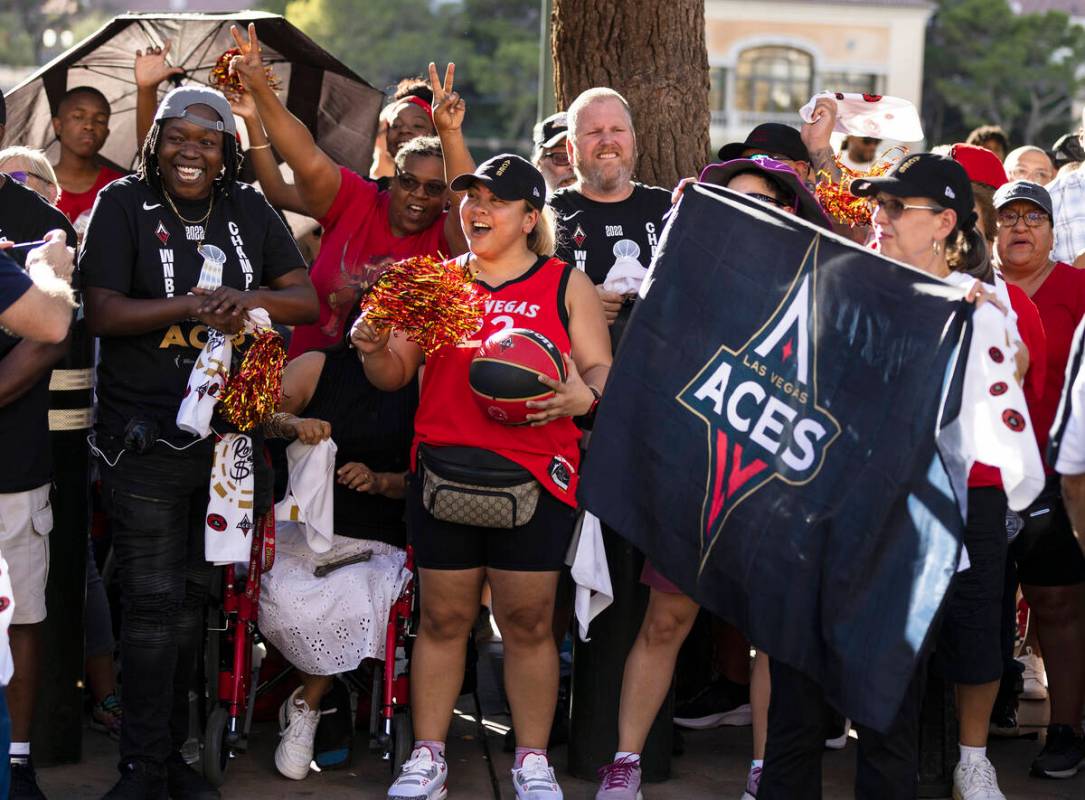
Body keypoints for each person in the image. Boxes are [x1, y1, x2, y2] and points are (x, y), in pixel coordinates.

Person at [352, 132, 610, 799]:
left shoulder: (564, 283)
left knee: (527, 624)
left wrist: (587, 396)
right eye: (470, 198)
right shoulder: (432, 283)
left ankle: (530, 760)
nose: (476, 209)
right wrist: (369, 345)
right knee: (441, 620)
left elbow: (601, 373)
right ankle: (429, 756)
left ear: (530, 217)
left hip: (536, 476)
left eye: (495, 200)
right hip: (444, 474)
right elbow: (391, 375)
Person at [80, 84, 317, 799]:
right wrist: (191, 306)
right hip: (144, 441)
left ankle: (173, 761)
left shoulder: (247, 207)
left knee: (193, 606)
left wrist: (242, 302)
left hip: (229, 446)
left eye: (207, 141)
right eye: (178, 137)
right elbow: (102, 311)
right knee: (150, 605)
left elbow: (302, 298)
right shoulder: (122, 203)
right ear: (155, 143)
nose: (192, 151)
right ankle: (140, 768)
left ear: (226, 153)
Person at [752, 153, 998, 800]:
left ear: (944, 222)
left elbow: (1003, 411)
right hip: (812, 536)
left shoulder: (980, 312)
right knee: (793, 726)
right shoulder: (836, 286)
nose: (877, 217)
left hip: (904, 553)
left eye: (894, 207)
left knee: (887, 733)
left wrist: (977, 331)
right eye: (875, 205)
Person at [594, 157, 834, 800]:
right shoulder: (688, 280)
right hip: (698, 483)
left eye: (762, 197)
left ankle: (766, 767)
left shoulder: (822, 282)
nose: (748, 208)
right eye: (732, 200)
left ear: (788, 208)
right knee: (665, 623)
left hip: (779, 490)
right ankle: (625, 763)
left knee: (772, 641)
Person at [223, 24, 468, 357]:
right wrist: (261, 94)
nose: (419, 194)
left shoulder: (454, 231)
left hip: (392, 396)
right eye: (408, 182)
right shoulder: (359, 197)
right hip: (310, 378)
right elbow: (305, 161)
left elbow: (465, 198)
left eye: (434, 188)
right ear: (394, 177)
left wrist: (450, 134)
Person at [259, 303, 415, 781]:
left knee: (360, 596)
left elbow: (428, 477)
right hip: (302, 528)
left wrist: (382, 481)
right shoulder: (317, 366)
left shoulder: (424, 381)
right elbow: (260, 414)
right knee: (285, 591)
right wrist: (292, 425)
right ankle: (320, 697)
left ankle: (310, 700)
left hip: (380, 533)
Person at [992, 179, 1085, 780]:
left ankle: (1065, 727)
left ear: (1053, 232)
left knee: (1057, 603)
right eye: (1008, 218)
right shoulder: (977, 287)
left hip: (1055, 472)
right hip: (978, 475)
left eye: (1033, 217)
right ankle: (981, 717)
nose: (1020, 227)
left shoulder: (1079, 289)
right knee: (982, 603)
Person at [0, 151, 77, 800]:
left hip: (14, 466)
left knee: (21, 616)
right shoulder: (40, 251)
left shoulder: (42, 224)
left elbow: (52, 333)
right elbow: (51, 319)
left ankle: (17, 759)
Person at [549, 87, 671, 348]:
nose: (607, 141)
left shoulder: (670, 207)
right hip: (579, 379)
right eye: (593, 132)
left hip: (657, 376)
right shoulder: (547, 215)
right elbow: (524, 294)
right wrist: (579, 304)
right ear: (571, 149)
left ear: (633, 140)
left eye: (617, 130)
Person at [50, 87, 126, 232]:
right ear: (58, 126)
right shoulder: (36, 186)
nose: (89, 126)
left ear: (107, 132)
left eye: (100, 120)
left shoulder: (119, 188)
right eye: (78, 116)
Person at [717, 122, 813, 185]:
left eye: (764, 160)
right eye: (745, 160)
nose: (752, 166)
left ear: (799, 170)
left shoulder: (818, 212)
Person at [532, 112, 575, 196]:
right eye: (562, 158)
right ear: (539, 164)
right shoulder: (529, 207)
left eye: (580, 157)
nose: (573, 166)